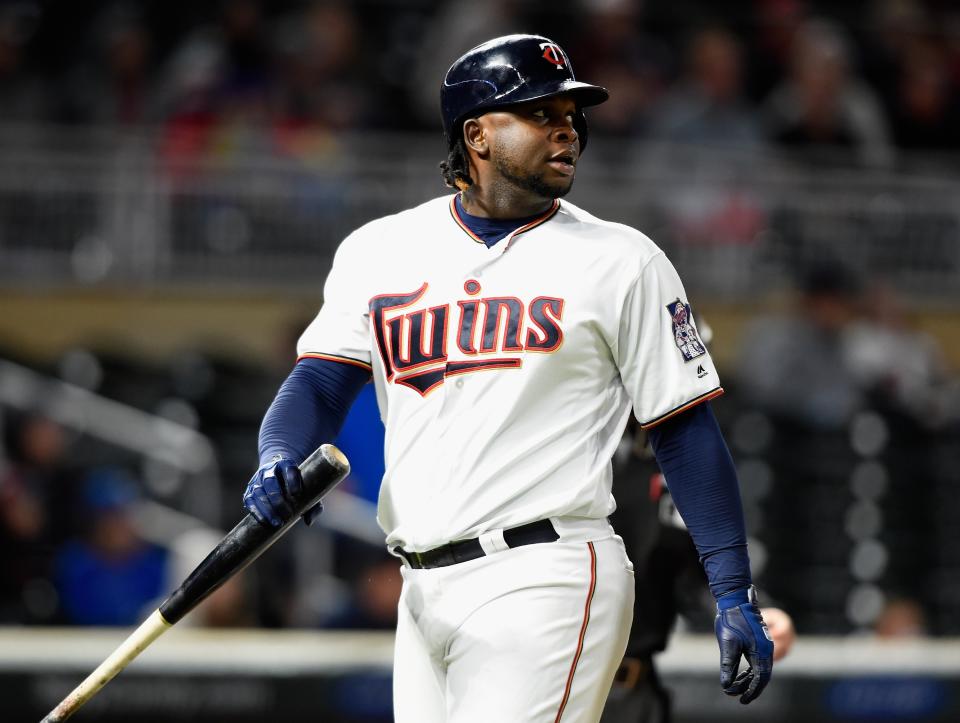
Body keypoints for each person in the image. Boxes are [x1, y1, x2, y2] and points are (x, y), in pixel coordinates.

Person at [242, 34, 773, 722]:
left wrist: (733, 591)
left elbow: (685, 432)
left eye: (570, 114)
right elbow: (318, 384)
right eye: (539, 113)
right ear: (477, 135)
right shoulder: (380, 250)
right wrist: (278, 453)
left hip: (545, 573)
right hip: (422, 585)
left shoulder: (623, 261)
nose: (566, 129)